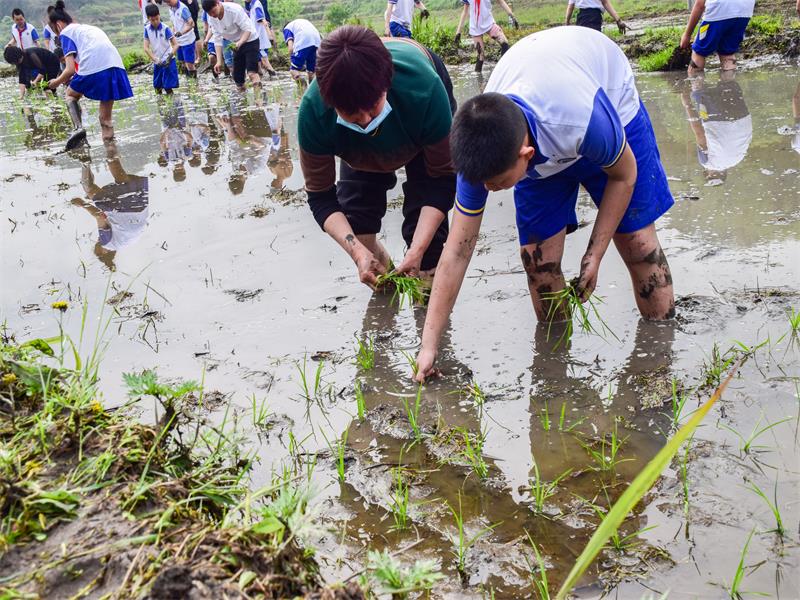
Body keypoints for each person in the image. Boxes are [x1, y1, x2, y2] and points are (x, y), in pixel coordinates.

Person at [412, 27, 675, 381]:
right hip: (543, 130)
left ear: (526, 155)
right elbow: (457, 252)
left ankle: (659, 356)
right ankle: (555, 374)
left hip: (609, 110)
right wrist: (429, 345)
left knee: (639, 245)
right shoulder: (480, 153)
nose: (490, 190)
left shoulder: (586, 120)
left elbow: (624, 176)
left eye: (498, 183)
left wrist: (595, 254)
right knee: (538, 263)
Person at [298, 26, 456, 288]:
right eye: (352, 115)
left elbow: (442, 180)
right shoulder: (314, 112)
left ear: (387, 85)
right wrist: (357, 253)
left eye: (372, 108)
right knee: (358, 225)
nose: (365, 121)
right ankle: (389, 291)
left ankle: (426, 299)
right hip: (357, 150)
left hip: (416, 120)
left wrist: (417, 250)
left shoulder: (424, 89)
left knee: (428, 248)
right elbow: (320, 197)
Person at [47, 0, 134, 149]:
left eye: (56, 31)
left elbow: (69, 69)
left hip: (95, 64)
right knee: (105, 119)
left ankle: (78, 129)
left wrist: (55, 82)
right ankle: (112, 153)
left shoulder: (66, 33)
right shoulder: (86, 29)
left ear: (59, 25)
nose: (58, 34)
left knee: (70, 95)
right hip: (114, 64)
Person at [73, 139, 150, 271]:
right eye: (98, 244)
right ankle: (84, 160)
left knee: (119, 173)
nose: (98, 239)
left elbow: (120, 221)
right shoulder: (107, 244)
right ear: (104, 252)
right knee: (89, 187)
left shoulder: (128, 242)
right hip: (123, 209)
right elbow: (99, 216)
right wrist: (82, 204)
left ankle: (109, 141)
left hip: (140, 204)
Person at [680, 71, 751, 186]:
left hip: (742, 118)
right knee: (697, 87)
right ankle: (696, 67)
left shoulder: (737, 160)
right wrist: (687, 103)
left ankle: (727, 64)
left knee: (728, 81)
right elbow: (700, 134)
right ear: (707, 173)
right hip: (718, 121)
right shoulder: (707, 163)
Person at [680, 0, 755, 76]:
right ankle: (730, 82)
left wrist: (687, 34)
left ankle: (695, 81)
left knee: (699, 51)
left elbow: (699, 5)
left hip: (719, 9)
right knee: (727, 53)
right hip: (744, 10)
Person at [202, 0, 261, 91]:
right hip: (235, 43)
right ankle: (242, 98)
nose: (213, 15)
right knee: (238, 79)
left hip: (250, 40)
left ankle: (259, 98)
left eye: (213, 11)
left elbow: (247, 30)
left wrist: (240, 43)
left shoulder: (234, 10)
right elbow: (217, 39)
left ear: (218, 3)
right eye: (210, 14)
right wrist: (219, 61)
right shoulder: (212, 18)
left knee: (252, 73)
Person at [454, 0, 518, 73]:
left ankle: (501, 71)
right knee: (480, 56)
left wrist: (513, 17)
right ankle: (478, 77)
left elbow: (501, 2)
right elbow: (465, 11)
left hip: (489, 23)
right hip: (476, 28)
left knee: (504, 43)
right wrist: (458, 32)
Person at [143, 3, 179, 94]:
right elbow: (146, 48)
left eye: (157, 19)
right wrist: (154, 59)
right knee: (157, 87)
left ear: (159, 15)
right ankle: (161, 103)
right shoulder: (147, 29)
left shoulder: (165, 28)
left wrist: (169, 57)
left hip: (168, 61)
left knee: (168, 87)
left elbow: (176, 44)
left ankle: (172, 103)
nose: (155, 22)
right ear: (148, 18)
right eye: (152, 20)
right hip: (157, 61)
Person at [165, 0, 197, 79]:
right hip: (179, 41)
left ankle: (194, 82)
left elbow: (192, 23)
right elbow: (174, 24)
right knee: (182, 62)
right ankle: (188, 81)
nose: (168, 4)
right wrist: (172, 33)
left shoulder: (183, 9)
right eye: (167, 2)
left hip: (187, 40)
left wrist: (181, 32)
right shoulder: (171, 9)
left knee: (189, 63)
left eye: (169, 1)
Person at [283, 18, 320, 83]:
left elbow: (290, 48)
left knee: (293, 70)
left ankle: (303, 86)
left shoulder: (287, 28)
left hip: (304, 41)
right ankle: (313, 88)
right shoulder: (301, 23)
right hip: (316, 41)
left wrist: (292, 59)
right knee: (311, 72)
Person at [245, 0, 277, 76]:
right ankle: (261, 74)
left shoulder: (256, 5)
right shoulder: (252, 5)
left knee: (264, 59)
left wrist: (269, 34)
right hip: (256, 36)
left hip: (260, 37)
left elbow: (262, 19)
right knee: (258, 58)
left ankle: (273, 74)